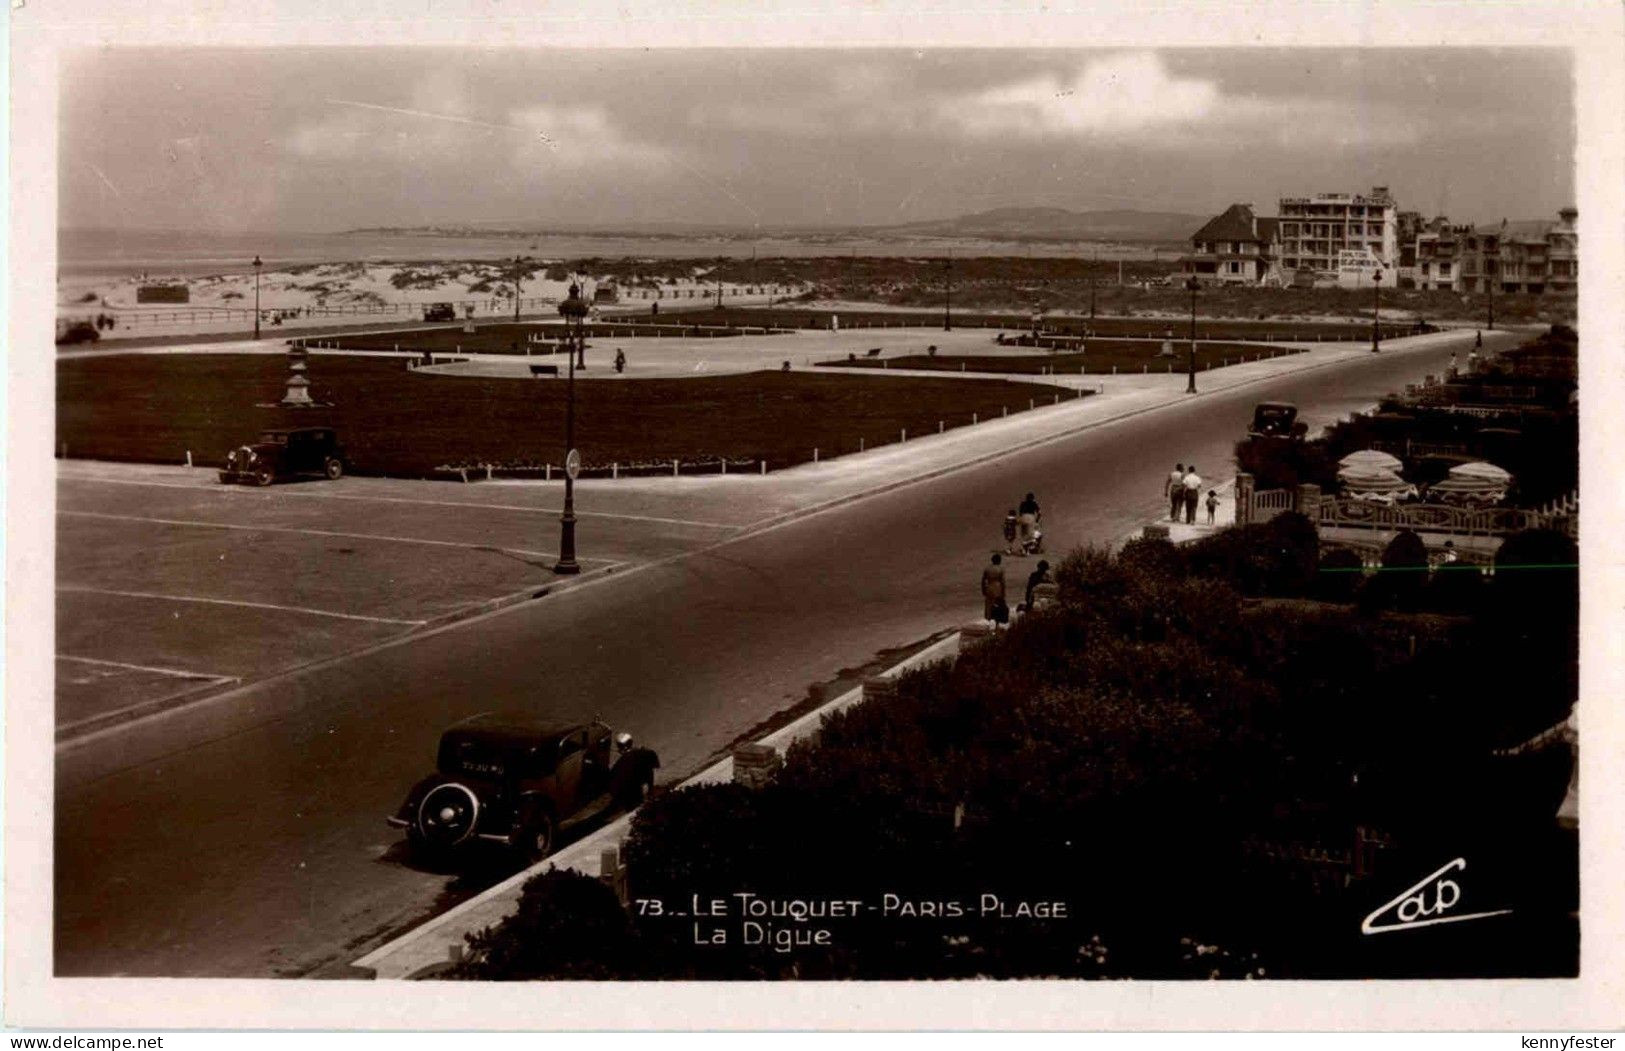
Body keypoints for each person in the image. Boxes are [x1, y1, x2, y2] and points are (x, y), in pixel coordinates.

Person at [981, 553, 1008, 627]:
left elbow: (983, 580)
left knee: (989, 605)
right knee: (998, 605)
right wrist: (1003, 592)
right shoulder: (1000, 569)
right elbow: (1003, 582)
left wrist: (983, 589)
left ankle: (988, 621)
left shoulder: (987, 569)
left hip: (989, 587)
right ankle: (997, 622)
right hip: (998, 588)